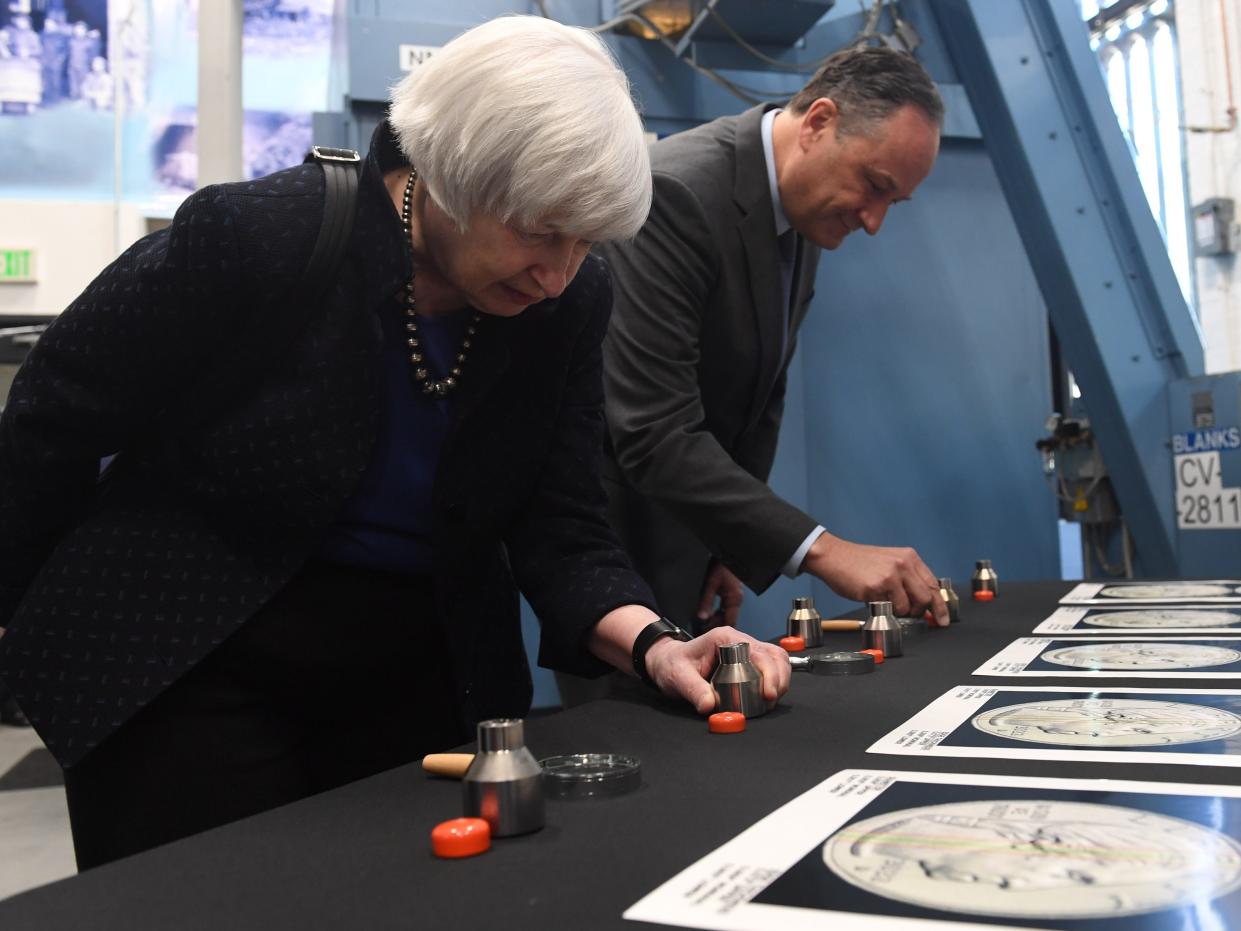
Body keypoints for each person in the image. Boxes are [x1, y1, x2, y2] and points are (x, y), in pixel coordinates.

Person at [0, 15, 790, 870]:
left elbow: (561, 528)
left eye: (584, 241)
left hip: (416, 670)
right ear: (448, 175)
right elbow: (50, 420)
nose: (557, 274)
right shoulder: (257, 238)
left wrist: (658, 642)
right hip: (187, 655)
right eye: (538, 231)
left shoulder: (568, 302)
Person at [598, 45, 948, 636]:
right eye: (874, 184)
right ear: (818, 123)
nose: (874, 221)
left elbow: (758, 399)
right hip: (618, 556)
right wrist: (824, 550)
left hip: (691, 546)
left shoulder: (803, 210)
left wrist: (732, 547)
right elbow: (653, 430)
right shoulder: (675, 195)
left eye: (894, 202)